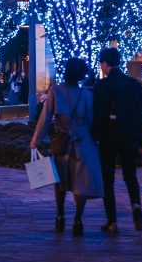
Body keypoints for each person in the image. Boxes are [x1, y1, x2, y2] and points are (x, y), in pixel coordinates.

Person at [30, 58, 103, 237]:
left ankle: (60, 216)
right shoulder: (87, 95)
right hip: (84, 143)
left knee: (60, 180)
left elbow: (45, 118)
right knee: (81, 184)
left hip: (61, 142)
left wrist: (36, 140)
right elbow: (92, 122)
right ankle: (78, 218)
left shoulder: (56, 91)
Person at [93, 48, 142, 234]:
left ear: (105, 64)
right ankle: (136, 205)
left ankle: (112, 222)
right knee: (130, 176)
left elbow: (98, 115)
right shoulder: (134, 85)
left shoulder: (102, 86)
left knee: (107, 179)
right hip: (130, 135)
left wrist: (95, 137)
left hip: (109, 137)